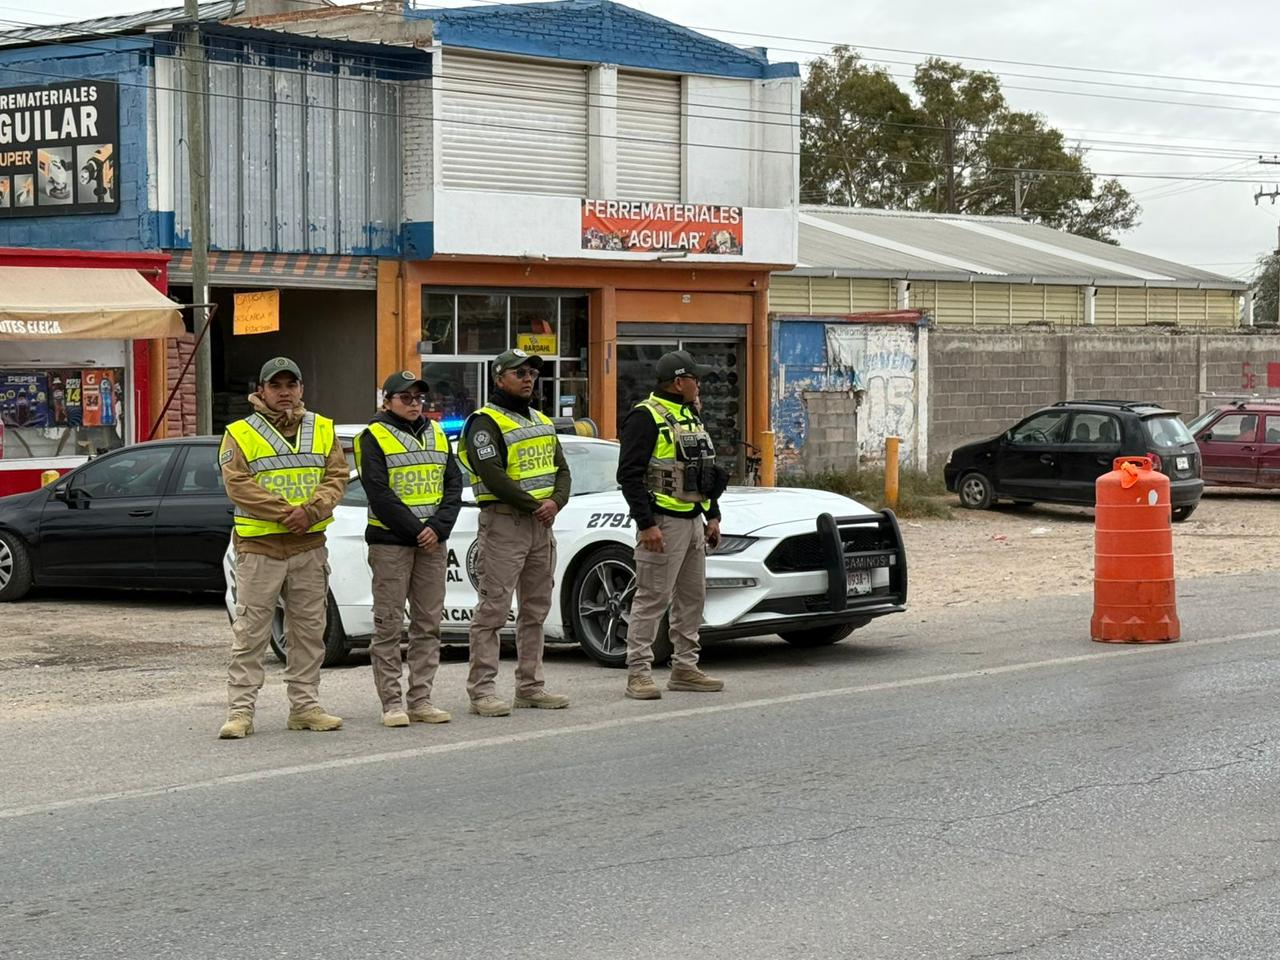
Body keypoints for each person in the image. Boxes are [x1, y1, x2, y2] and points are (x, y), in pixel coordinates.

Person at [217, 357, 348, 739]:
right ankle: (240, 713)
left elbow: (336, 476)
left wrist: (311, 512)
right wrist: (286, 513)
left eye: (291, 384)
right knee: (251, 633)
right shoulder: (240, 433)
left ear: (301, 389)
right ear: (261, 390)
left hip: (308, 546)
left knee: (308, 632)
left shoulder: (322, 428)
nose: (285, 392)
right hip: (260, 548)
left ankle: (305, 708)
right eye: (276, 385)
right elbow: (237, 484)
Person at [458, 349, 571, 717]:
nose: (528, 379)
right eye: (519, 373)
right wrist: (535, 505)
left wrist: (555, 502)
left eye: (532, 374)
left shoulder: (541, 421)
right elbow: (492, 474)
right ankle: (482, 691)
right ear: (498, 378)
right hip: (505, 522)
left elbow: (562, 470)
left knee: (536, 610)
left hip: (541, 524)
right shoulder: (484, 422)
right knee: (493, 610)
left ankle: (530, 687)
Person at [616, 350, 729, 700]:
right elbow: (629, 476)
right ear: (679, 382)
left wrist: (712, 515)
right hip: (663, 523)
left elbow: (704, 470)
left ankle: (685, 668)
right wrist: (647, 524)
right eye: (696, 378)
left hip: (692, 519)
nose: (700, 384)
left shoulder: (691, 414)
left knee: (692, 598)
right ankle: (639, 673)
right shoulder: (645, 416)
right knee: (652, 599)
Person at [354, 371, 464, 728]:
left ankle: (421, 700)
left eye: (418, 398)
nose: (414, 403)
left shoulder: (437, 433)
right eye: (406, 398)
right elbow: (378, 493)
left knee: (428, 624)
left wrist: (438, 528)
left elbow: (453, 485)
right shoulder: (373, 436)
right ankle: (391, 703)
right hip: (392, 543)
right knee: (388, 625)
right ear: (387, 402)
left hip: (432, 542)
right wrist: (419, 531)